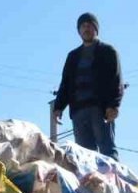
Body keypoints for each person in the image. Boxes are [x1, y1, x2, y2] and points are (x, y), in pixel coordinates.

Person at [52, 12, 122, 159]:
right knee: (84, 157)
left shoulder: (108, 51)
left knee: (107, 152)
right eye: (83, 26)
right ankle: (90, 182)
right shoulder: (73, 56)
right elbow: (65, 83)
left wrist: (113, 106)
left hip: (100, 110)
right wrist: (58, 107)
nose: (86, 28)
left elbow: (116, 80)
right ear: (79, 31)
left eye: (89, 25)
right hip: (78, 112)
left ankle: (113, 181)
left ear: (96, 29)